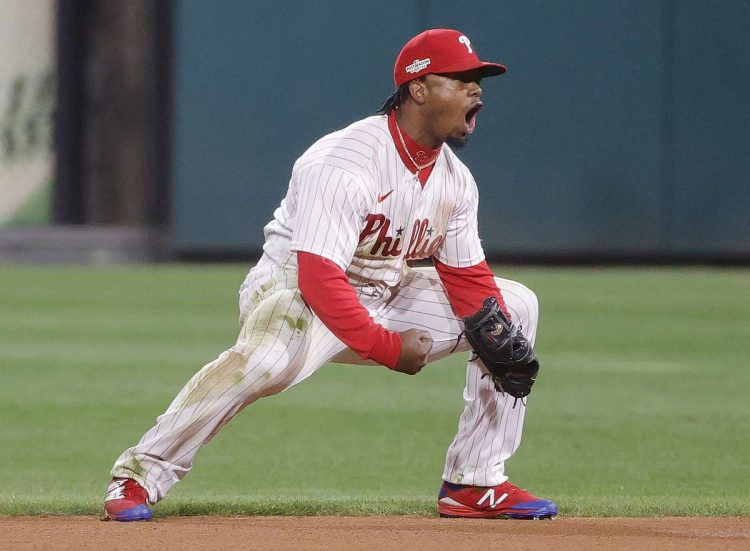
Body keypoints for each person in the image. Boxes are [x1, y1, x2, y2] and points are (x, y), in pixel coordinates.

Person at [104, 28, 558, 522]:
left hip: (384, 290)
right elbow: (320, 278)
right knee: (265, 361)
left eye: (479, 80)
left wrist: (494, 335)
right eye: (462, 78)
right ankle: (139, 475)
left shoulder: (454, 179)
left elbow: (468, 278)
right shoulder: (345, 162)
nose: (477, 89)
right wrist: (386, 347)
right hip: (294, 290)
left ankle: (474, 482)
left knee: (512, 310)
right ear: (419, 88)